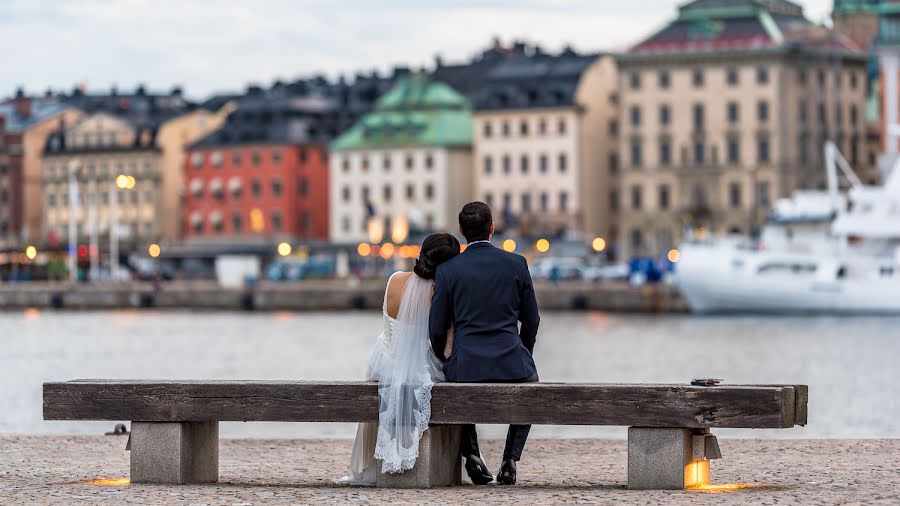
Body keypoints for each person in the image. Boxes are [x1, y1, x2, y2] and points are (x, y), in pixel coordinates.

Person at [429, 201, 540, 486]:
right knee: (531, 384)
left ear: (461, 231)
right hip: (511, 361)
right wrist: (523, 351)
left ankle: (473, 455)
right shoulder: (517, 263)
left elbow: (436, 328)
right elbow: (532, 320)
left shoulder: (448, 270)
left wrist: (445, 356)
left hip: (465, 364)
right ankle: (510, 460)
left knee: (454, 381)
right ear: (492, 228)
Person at [338, 233, 461, 485]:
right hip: (420, 365)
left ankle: (374, 461)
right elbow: (444, 347)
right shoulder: (440, 292)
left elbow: (388, 326)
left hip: (384, 361)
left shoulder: (394, 280)